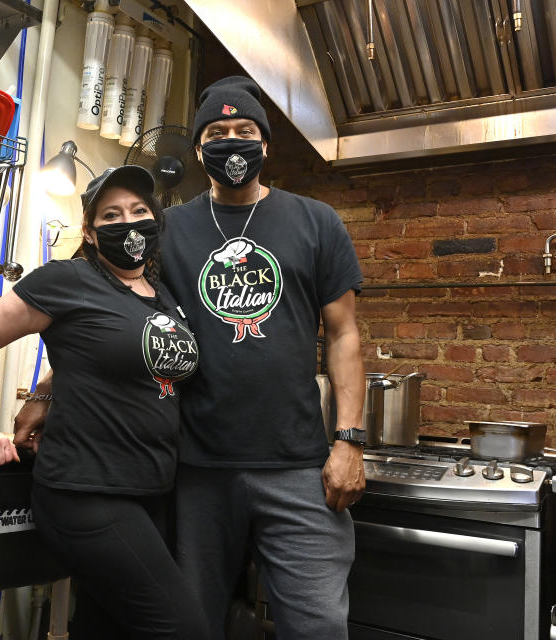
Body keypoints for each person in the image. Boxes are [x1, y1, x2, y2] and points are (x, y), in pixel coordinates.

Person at [0, 165, 207, 640]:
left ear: (155, 219)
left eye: (138, 211)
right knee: (182, 629)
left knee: (106, 628)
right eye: (111, 216)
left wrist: (45, 390)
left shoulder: (163, 297)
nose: (128, 223)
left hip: (150, 490)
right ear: (90, 233)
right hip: (87, 491)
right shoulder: (66, 279)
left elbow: (100, 353)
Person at [157, 76, 366, 639]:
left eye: (245, 130)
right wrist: (49, 390)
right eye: (218, 133)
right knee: (190, 626)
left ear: (266, 144)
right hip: (195, 467)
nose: (232, 142)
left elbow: (344, 335)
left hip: (297, 466)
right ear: (199, 148)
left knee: (318, 624)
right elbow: (113, 320)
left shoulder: (315, 221)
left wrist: (349, 440)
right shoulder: (167, 229)